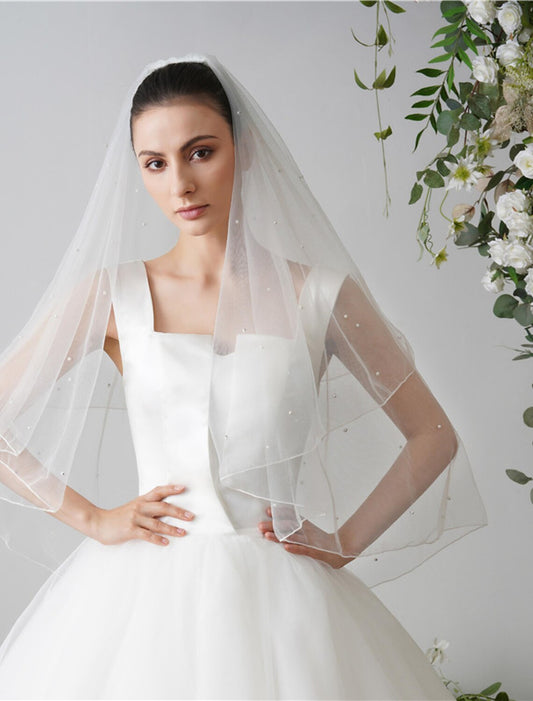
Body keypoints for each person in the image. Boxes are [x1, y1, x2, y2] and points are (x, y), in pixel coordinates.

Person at [0, 54, 487, 699]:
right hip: (145, 603)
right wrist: (93, 519)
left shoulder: (319, 296)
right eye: (155, 163)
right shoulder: (115, 297)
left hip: (287, 598)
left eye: (200, 152)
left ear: (244, 149)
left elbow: (433, 435)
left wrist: (345, 541)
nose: (181, 184)